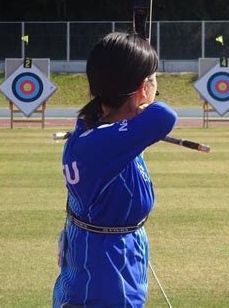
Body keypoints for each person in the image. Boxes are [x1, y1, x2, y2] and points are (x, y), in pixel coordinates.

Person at [52, 31, 177, 307]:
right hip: (103, 288)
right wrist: (141, 110)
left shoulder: (96, 129)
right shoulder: (100, 144)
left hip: (107, 274)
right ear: (143, 89)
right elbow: (165, 117)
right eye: (153, 82)